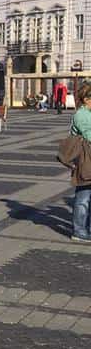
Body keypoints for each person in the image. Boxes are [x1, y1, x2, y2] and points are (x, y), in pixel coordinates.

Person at [69, 84, 91, 242]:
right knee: (83, 197)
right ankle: (79, 231)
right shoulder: (82, 115)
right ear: (87, 99)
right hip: (85, 160)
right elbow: (89, 135)